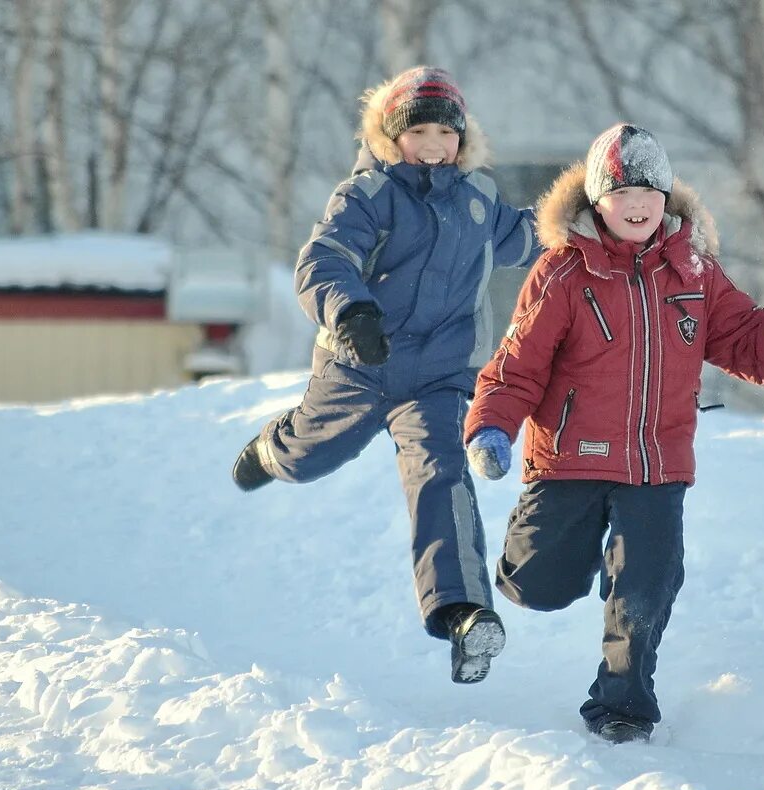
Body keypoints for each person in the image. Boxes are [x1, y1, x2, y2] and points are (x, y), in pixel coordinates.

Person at [463, 124, 764, 742]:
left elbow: (744, 343)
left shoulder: (694, 272)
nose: (637, 206)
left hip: (657, 468)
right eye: (622, 194)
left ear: (667, 199)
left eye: (649, 194)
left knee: (646, 589)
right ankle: (564, 565)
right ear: (598, 202)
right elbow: (518, 365)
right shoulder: (563, 273)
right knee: (537, 584)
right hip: (570, 459)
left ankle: (622, 707)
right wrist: (492, 427)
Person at [230, 66, 539, 684]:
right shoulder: (368, 194)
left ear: (462, 138)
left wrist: (596, 209)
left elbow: (531, 236)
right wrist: (349, 310)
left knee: (442, 475)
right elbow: (324, 257)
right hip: (361, 363)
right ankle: (274, 450)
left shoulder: (478, 199)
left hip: (442, 375)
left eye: (444, 132)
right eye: (417, 130)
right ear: (392, 136)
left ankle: (463, 613)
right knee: (313, 454)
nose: (432, 143)